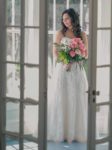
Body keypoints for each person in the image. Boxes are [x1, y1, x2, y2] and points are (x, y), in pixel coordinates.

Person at [47, 8, 88, 143]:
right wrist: (67, 61)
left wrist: (75, 58)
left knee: (76, 98)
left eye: (67, 19)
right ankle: (62, 132)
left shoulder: (82, 34)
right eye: (63, 19)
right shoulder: (59, 33)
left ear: (73, 18)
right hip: (63, 70)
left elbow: (85, 54)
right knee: (62, 98)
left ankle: (76, 132)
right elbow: (55, 53)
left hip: (77, 70)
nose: (65, 22)